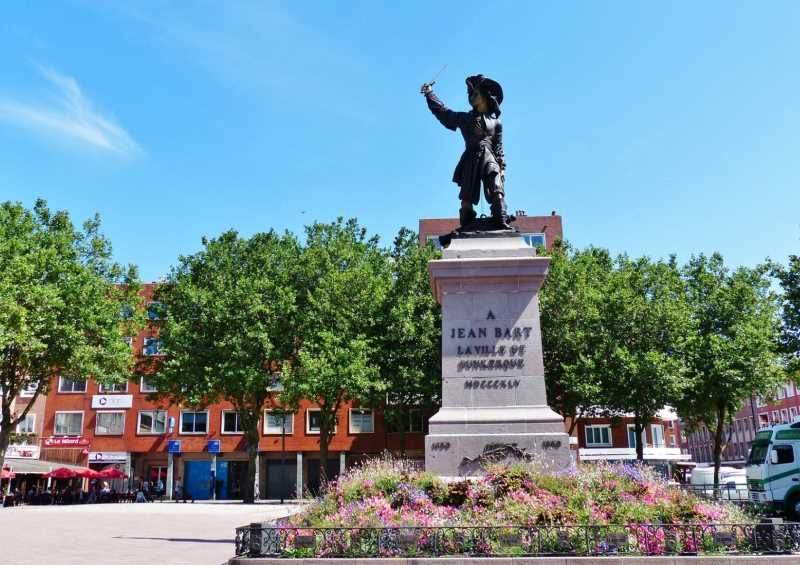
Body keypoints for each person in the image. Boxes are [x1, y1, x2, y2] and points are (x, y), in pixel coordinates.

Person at [421, 75, 510, 229]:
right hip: (471, 158)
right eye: (469, 94)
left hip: (490, 158)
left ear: (484, 96)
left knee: (497, 186)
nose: (470, 97)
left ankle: (500, 218)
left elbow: (499, 149)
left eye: (474, 94)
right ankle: (466, 222)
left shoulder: (496, 123)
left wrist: (502, 169)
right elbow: (444, 113)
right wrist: (430, 94)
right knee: (467, 194)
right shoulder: (465, 118)